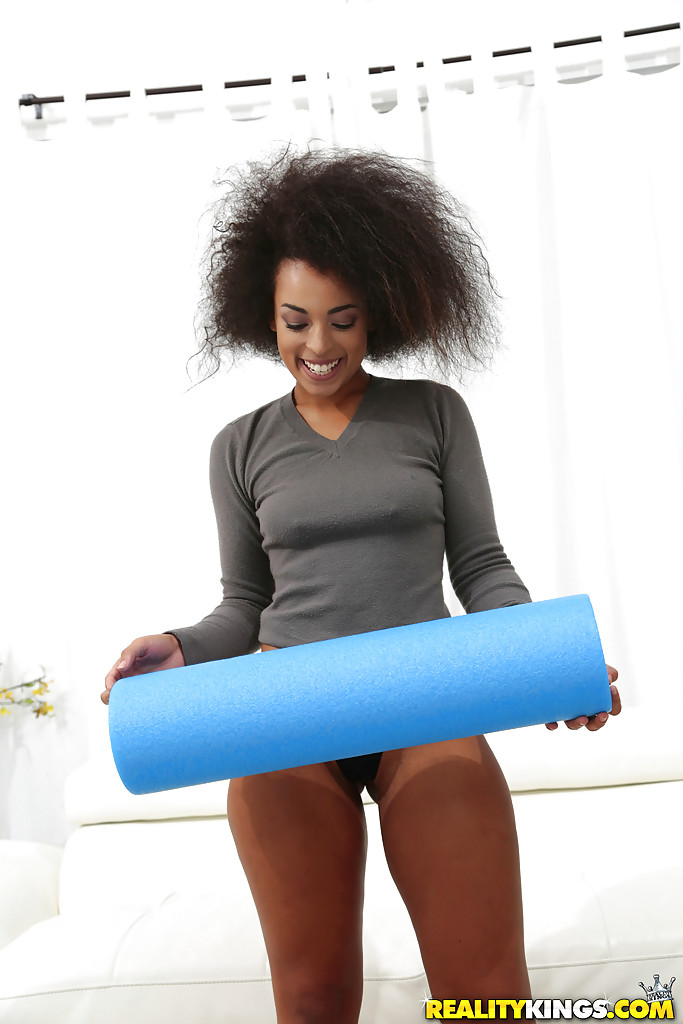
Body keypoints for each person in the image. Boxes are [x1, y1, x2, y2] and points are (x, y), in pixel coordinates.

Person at [101, 148, 620, 1023]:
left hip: (423, 696)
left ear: (379, 310)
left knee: (486, 993)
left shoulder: (432, 412)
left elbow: (482, 566)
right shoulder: (239, 446)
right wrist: (181, 647)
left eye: (341, 321)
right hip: (288, 706)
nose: (318, 346)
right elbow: (244, 603)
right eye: (295, 321)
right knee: (312, 997)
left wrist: (545, 662)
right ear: (263, 318)